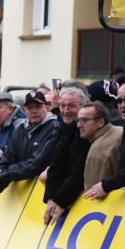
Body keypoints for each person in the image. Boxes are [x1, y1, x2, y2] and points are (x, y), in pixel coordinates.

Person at [0, 91, 60, 201]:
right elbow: (7, 158)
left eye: (38, 107)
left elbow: (36, 164)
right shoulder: (19, 129)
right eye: (30, 108)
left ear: (47, 107)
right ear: (24, 110)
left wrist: (8, 174)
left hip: (44, 193)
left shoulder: (54, 127)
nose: (34, 111)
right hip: (22, 196)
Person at [41, 87, 91, 224]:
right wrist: (51, 198)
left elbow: (80, 172)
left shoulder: (87, 133)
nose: (65, 110)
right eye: (62, 106)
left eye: (71, 106)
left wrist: (60, 200)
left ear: (83, 107)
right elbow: (56, 164)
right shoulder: (63, 128)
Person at [79, 100, 122, 189]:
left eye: (84, 120)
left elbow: (92, 190)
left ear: (100, 122)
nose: (79, 125)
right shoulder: (121, 130)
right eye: (78, 120)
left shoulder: (98, 149)